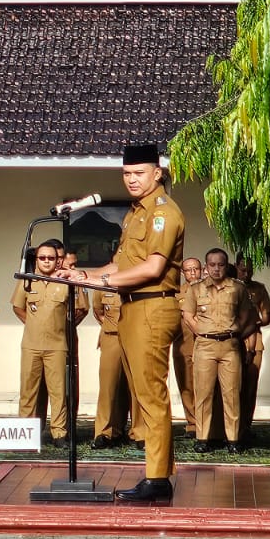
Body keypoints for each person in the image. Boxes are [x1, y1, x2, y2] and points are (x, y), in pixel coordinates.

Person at [61, 143, 185, 500]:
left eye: (139, 173)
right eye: (127, 174)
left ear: (157, 174)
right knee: (141, 394)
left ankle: (158, 479)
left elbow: (153, 268)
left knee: (151, 394)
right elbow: (120, 264)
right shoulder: (135, 214)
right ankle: (157, 474)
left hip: (153, 306)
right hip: (132, 307)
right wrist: (82, 275)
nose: (131, 180)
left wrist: (100, 281)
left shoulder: (163, 212)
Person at [11, 242, 87, 448]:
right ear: (36, 260)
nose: (46, 261)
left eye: (50, 258)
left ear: (57, 260)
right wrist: (35, 324)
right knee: (28, 391)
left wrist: (61, 326)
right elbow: (17, 307)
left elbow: (81, 308)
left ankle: (59, 433)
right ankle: (25, 433)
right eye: (42, 258)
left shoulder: (66, 282)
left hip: (57, 345)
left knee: (58, 392)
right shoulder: (27, 281)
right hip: (31, 344)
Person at [183, 248, 256, 454]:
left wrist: (234, 332)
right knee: (204, 394)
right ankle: (202, 438)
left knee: (232, 393)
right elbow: (188, 316)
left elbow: (246, 315)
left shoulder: (237, 288)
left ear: (226, 265)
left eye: (221, 264)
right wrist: (203, 332)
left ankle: (233, 439)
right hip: (205, 346)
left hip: (230, 346)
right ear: (206, 267)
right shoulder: (195, 289)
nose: (216, 269)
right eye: (212, 265)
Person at [235, 256, 270, 443]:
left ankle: (246, 427)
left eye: (249, 270)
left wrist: (252, 321)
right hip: (232, 342)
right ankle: (230, 427)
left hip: (254, 341)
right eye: (243, 269)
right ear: (236, 267)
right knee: (233, 387)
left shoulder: (259, 288)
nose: (246, 273)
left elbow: (266, 317)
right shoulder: (230, 287)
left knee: (250, 386)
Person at [91, 289, 132, 449]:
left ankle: (139, 433)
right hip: (111, 336)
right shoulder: (103, 282)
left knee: (136, 387)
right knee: (108, 387)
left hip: (135, 336)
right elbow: (98, 310)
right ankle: (104, 432)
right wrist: (110, 324)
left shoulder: (137, 277)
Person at [173, 255, 203, 437]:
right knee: (187, 386)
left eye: (196, 269)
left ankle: (207, 424)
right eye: (188, 270)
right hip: (183, 344)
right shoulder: (176, 292)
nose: (192, 273)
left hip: (205, 345)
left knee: (206, 387)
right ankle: (192, 424)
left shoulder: (209, 289)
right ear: (183, 273)